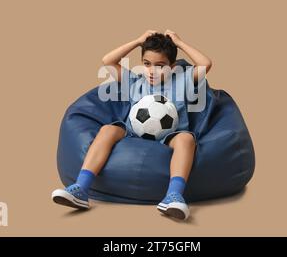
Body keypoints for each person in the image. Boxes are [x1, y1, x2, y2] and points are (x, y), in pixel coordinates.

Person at [52, 29, 212, 221]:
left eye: (160, 65)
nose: (152, 71)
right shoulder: (135, 82)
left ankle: (174, 195)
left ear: (173, 66)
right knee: (108, 129)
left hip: (170, 135)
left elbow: (205, 64)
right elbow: (107, 61)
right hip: (132, 133)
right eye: (147, 64)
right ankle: (81, 188)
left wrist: (178, 42)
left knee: (187, 139)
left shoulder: (182, 81)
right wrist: (137, 41)